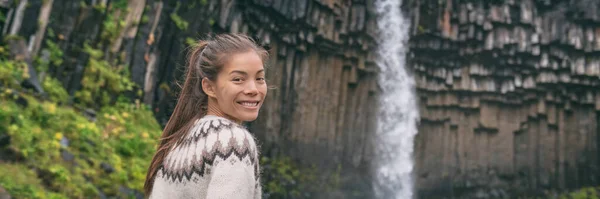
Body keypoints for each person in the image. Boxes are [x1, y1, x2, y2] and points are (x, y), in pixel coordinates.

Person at [144, 33, 268, 199]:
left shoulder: (179, 142)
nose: (253, 89)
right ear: (209, 87)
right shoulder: (233, 143)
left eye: (260, 78)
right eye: (238, 79)